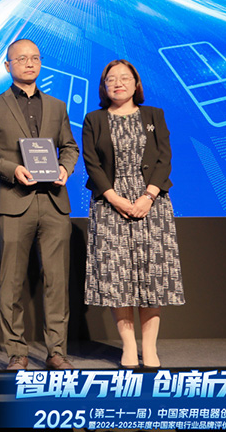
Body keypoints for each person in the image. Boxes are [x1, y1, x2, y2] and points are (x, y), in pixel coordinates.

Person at [0, 39, 79, 371]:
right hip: (14, 201)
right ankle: (16, 351)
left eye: (35, 58)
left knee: (57, 281)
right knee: (12, 281)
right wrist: (11, 169)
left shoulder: (58, 106)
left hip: (54, 202)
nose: (29, 63)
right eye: (21, 59)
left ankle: (56, 351)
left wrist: (65, 168)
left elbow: (69, 146)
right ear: (8, 66)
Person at [82, 59, 184, 369]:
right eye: (111, 79)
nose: (118, 83)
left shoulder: (154, 115)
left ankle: (149, 348)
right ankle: (128, 346)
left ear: (136, 84)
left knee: (152, 277)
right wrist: (115, 198)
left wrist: (147, 196)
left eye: (125, 78)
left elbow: (164, 158)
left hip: (151, 204)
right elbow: (91, 163)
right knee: (118, 278)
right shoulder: (94, 119)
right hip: (110, 205)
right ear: (104, 86)